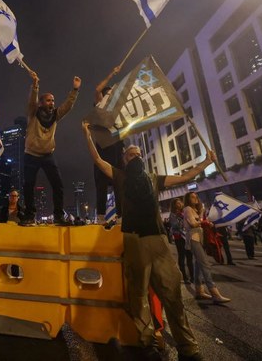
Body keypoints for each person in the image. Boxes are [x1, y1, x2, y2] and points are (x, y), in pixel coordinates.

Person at [83, 121, 212, 361]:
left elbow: (184, 177)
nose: (136, 157)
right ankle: (148, 344)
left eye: (139, 155)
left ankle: (188, 348)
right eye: (131, 155)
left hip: (158, 241)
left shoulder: (154, 179)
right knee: (138, 296)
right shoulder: (119, 176)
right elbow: (98, 161)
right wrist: (88, 136)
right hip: (133, 240)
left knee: (172, 294)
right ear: (124, 160)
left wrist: (206, 162)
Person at [20, 71, 80, 226]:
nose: (52, 103)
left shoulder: (55, 115)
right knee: (28, 185)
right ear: (41, 103)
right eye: (48, 100)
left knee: (58, 184)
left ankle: (59, 216)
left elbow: (67, 106)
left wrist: (75, 90)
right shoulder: (33, 113)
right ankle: (29, 216)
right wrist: (35, 85)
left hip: (47, 155)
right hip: (31, 154)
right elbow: (31, 101)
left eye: (53, 100)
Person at [183, 192, 231, 304]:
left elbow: (199, 222)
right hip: (193, 239)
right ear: (188, 199)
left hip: (200, 239)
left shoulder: (196, 210)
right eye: (192, 197)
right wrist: (203, 220)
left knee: (198, 265)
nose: (196, 199)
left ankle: (199, 291)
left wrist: (203, 217)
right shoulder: (187, 209)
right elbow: (193, 224)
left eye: (196, 197)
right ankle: (214, 293)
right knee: (205, 264)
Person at [93, 65, 124, 220]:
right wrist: (112, 73)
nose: (112, 96)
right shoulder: (101, 107)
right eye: (109, 93)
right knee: (101, 186)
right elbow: (98, 90)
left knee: (120, 184)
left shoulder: (118, 110)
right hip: (103, 150)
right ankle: (100, 217)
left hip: (117, 149)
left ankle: (121, 216)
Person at [169, 198, 194, 284]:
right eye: (177, 203)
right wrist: (179, 217)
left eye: (180, 202)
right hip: (179, 237)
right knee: (182, 256)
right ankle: (185, 277)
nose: (180, 204)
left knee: (190, 256)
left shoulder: (185, 212)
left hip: (187, 236)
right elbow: (175, 225)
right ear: (174, 205)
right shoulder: (172, 214)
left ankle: (192, 276)